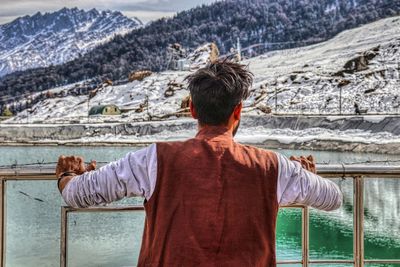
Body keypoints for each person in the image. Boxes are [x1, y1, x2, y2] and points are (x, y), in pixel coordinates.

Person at [56, 61, 342, 266]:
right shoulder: (274, 167)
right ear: (238, 110)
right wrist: (305, 176)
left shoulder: (154, 159)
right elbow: (333, 199)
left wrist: (67, 174)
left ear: (192, 108)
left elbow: (78, 194)